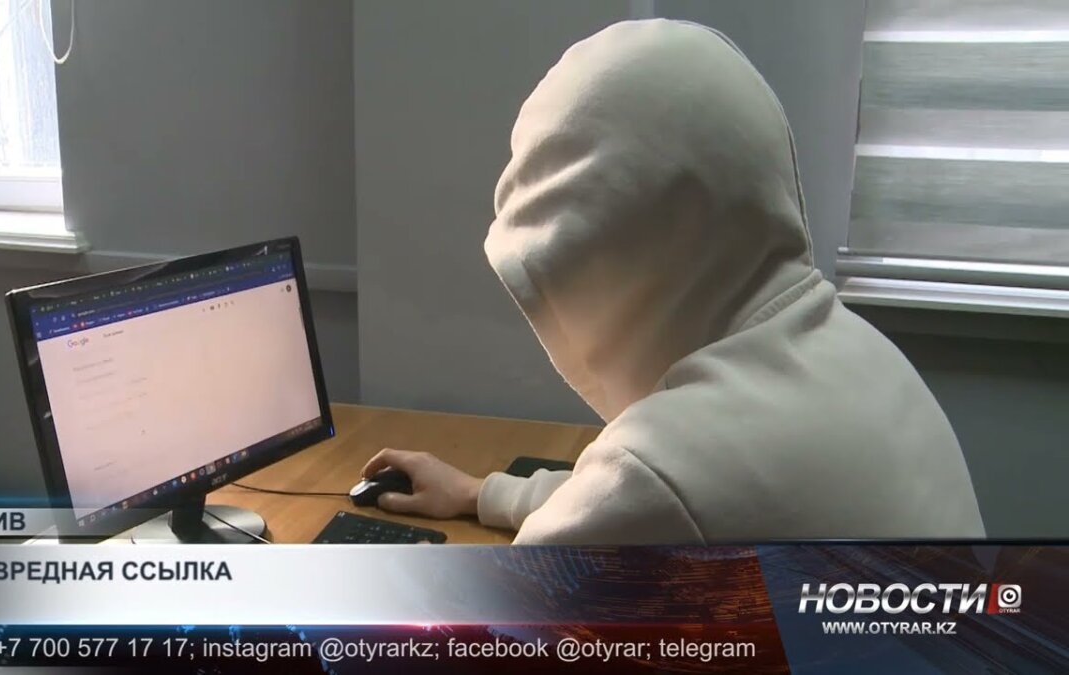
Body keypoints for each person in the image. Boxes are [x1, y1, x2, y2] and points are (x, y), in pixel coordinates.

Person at [361, 19, 985, 544]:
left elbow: (506, 616)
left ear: (597, 256)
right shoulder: (860, 357)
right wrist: (483, 493)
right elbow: (648, 501)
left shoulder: (660, 472)